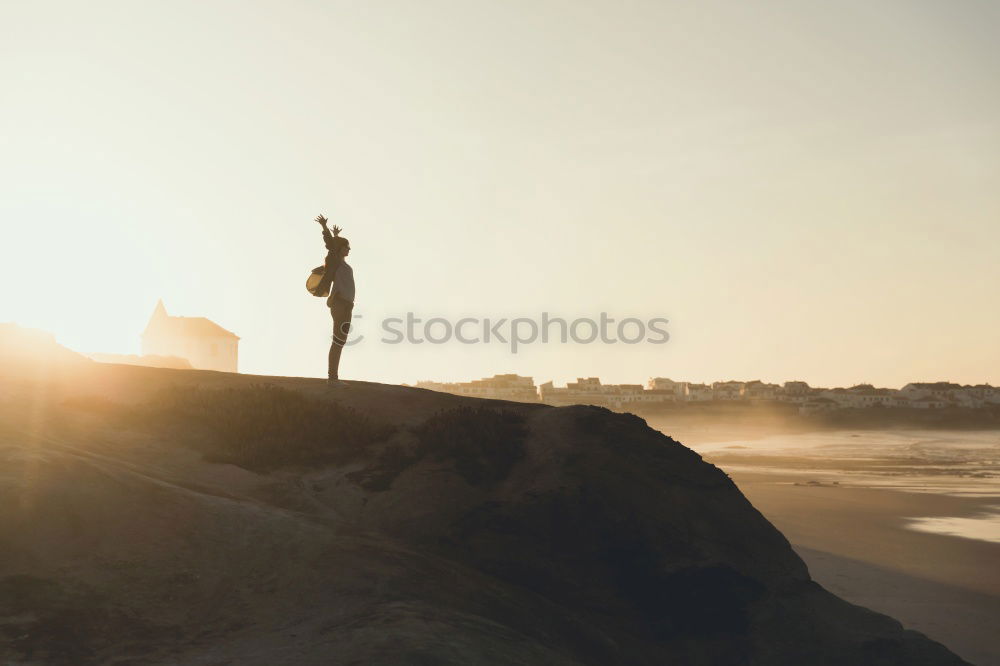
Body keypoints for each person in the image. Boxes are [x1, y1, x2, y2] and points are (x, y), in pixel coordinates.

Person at [315, 214, 355, 388]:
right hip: (340, 304)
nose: (349, 249)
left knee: (341, 340)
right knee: (338, 340)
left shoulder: (342, 263)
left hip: (347, 305)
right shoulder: (336, 262)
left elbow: (334, 246)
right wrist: (325, 227)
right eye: (347, 247)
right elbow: (331, 247)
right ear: (340, 249)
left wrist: (337, 236)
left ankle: (333, 377)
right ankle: (332, 378)